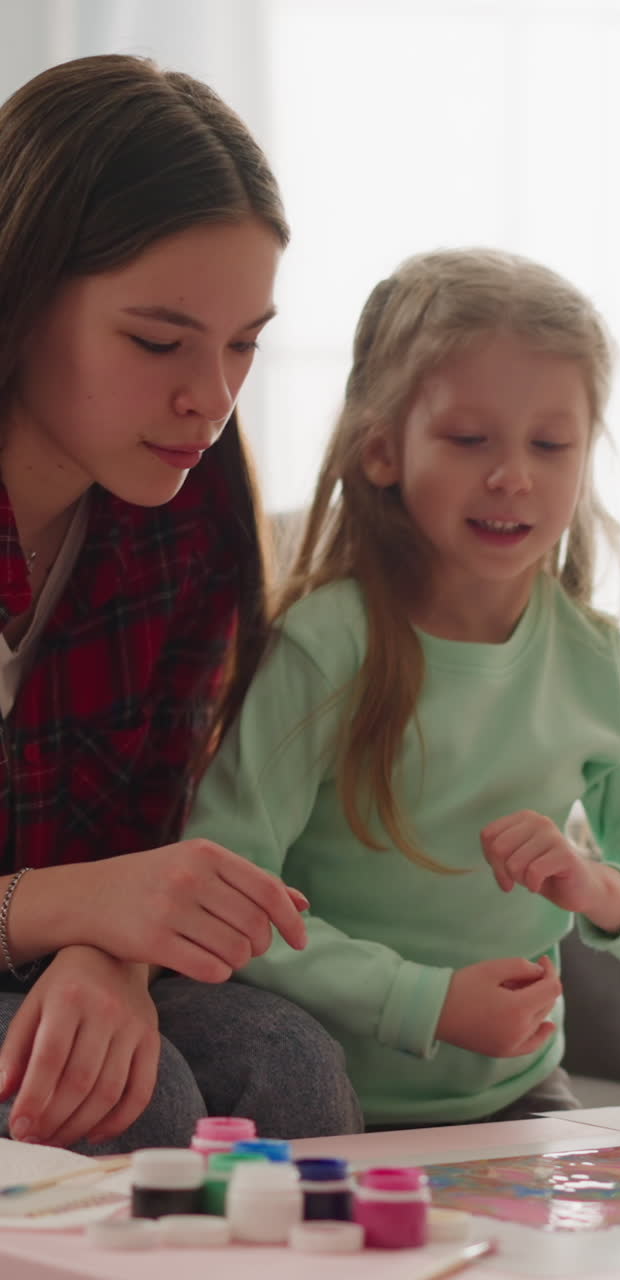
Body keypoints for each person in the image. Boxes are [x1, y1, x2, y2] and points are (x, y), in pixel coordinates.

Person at [185, 247, 620, 1128]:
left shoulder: (601, 667)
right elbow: (227, 899)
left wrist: (593, 883)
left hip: (516, 1094)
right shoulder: (326, 646)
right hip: (318, 1100)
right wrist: (424, 1003)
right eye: (470, 440)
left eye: (551, 444)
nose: (513, 475)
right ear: (382, 450)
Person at [0, 53, 361, 1153]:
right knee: (133, 1104)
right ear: (20, 293)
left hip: (58, 949)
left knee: (287, 1067)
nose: (210, 397)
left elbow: (148, 833)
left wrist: (112, 951)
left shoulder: (186, 514)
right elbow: (109, 884)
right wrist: (74, 912)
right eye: (158, 341)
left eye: (244, 344)